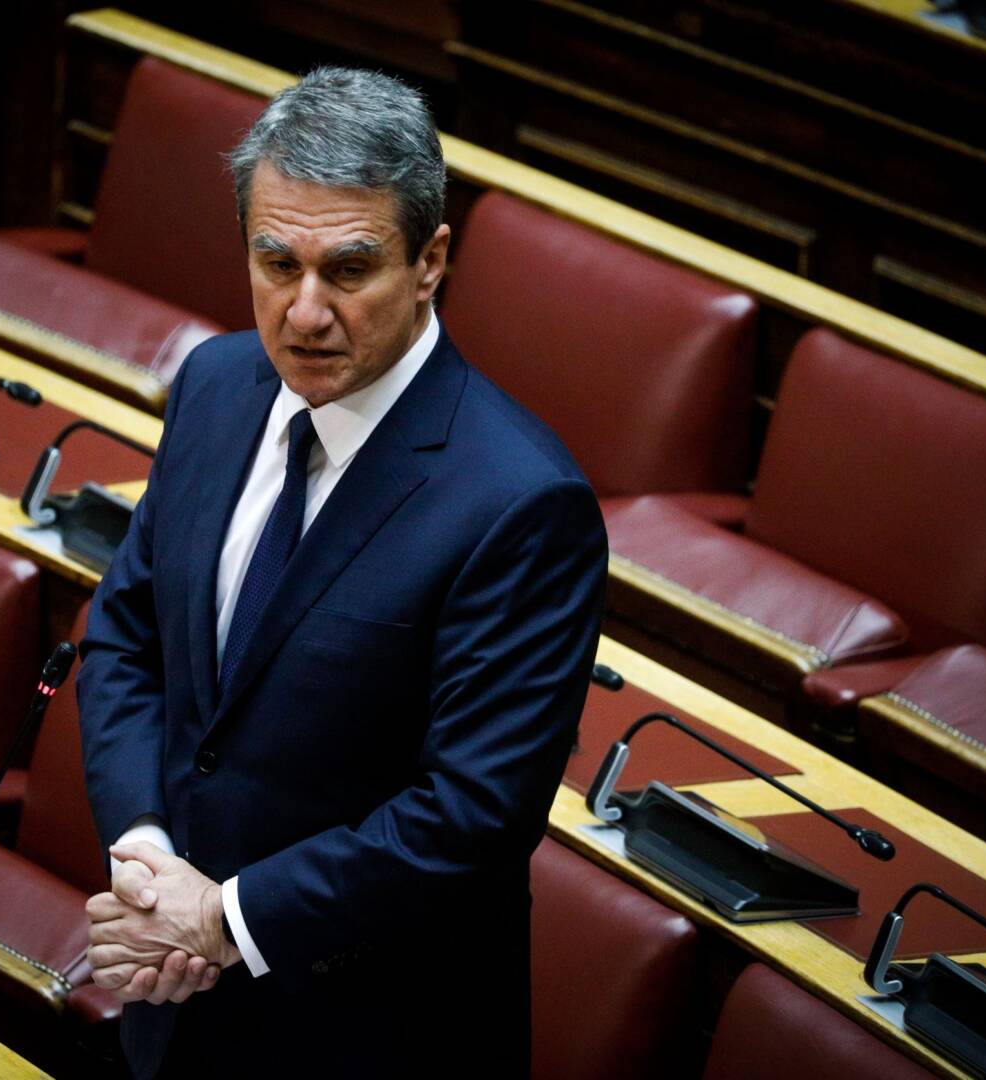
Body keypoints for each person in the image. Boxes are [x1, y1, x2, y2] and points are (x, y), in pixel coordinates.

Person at [78, 65, 607, 1078]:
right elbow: (128, 636)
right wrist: (144, 853)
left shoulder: (521, 503)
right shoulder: (216, 384)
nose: (305, 313)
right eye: (276, 263)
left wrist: (224, 919)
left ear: (430, 260)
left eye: (348, 270)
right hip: (170, 999)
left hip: (369, 1033)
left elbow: (469, 815)